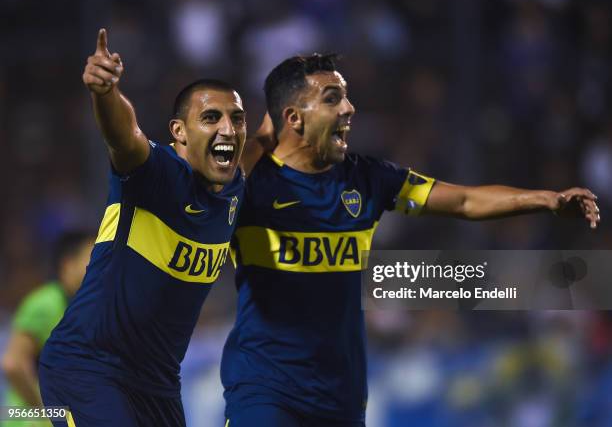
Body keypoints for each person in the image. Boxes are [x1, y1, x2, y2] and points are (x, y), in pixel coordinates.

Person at [220, 53, 601, 427]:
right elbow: (223, 175)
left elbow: (465, 200)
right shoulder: (252, 183)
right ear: (293, 117)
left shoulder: (368, 179)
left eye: (347, 95)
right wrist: (264, 136)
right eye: (332, 98)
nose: (350, 108)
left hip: (339, 395)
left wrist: (545, 199)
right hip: (264, 387)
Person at [38, 28, 247, 427]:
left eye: (236, 118)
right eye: (210, 117)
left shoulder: (237, 192)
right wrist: (105, 93)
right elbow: (125, 138)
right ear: (179, 132)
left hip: (159, 386)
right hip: (89, 368)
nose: (227, 128)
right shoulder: (158, 175)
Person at [1, 231, 94, 427]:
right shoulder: (45, 303)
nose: (99, 266)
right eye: (92, 257)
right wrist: (47, 413)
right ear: (68, 264)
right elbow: (13, 364)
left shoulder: (83, 308)